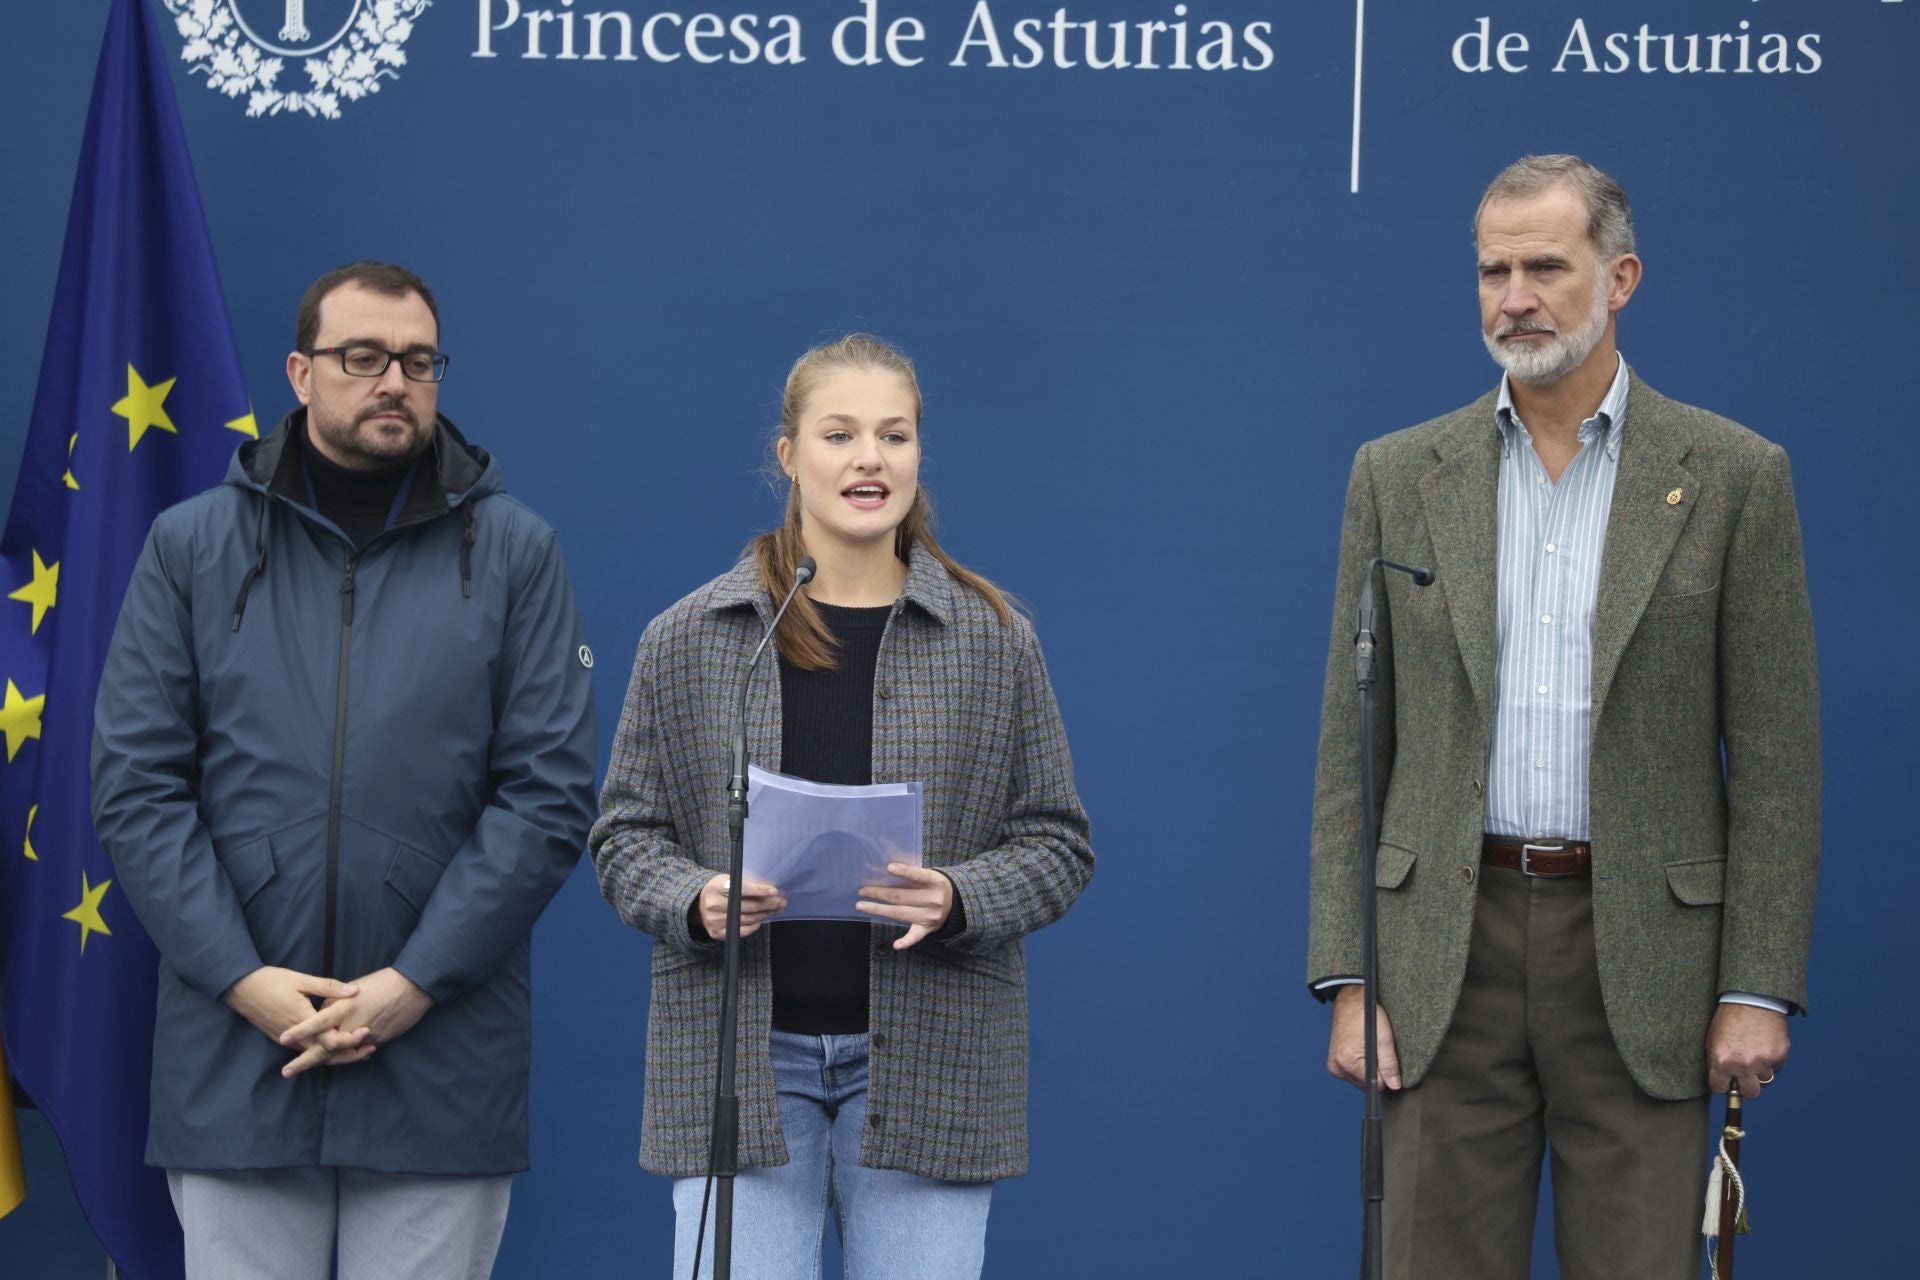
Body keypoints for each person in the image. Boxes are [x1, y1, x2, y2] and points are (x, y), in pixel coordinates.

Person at [1306, 155, 1819, 1279]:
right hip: (1445, 947)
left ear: (1621, 276)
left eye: (1547, 265)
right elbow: (1356, 750)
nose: (1515, 296)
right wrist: (1354, 976)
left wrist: (1754, 985)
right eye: (1493, 269)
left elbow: (1779, 759)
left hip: (1650, 957)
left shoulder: (1735, 476)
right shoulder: (1397, 474)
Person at [90, 261, 597, 1279]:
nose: (393, 382)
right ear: (300, 370)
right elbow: (137, 784)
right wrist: (243, 979)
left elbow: (547, 794)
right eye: (362, 357)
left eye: (418, 361)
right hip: (240, 1059)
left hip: (439, 1059)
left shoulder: (514, 550)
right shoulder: (191, 545)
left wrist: (414, 981)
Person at [590, 333, 1093, 1279]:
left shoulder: (994, 639)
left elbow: (1058, 842)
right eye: (841, 434)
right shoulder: (692, 637)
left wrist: (958, 895)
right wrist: (694, 897)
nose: (871, 459)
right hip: (740, 1064)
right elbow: (624, 836)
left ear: (917, 457)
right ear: (789, 457)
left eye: (895, 436)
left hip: (927, 1068)